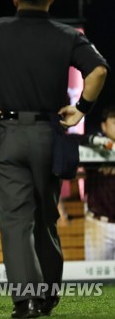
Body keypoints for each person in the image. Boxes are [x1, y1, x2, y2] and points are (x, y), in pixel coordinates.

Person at [0, 0, 109, 317]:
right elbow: (98, 70)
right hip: (49, 134)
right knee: (46, 219)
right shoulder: (67, 35)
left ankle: (27, 300)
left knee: (15, 221)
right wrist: (81, 108)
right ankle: (48, 295)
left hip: (8, 135)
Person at [83, 106, 115, 260]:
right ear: (104, 125)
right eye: (114, 121)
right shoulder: (95, 147)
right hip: (99, 225)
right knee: (98, 282)